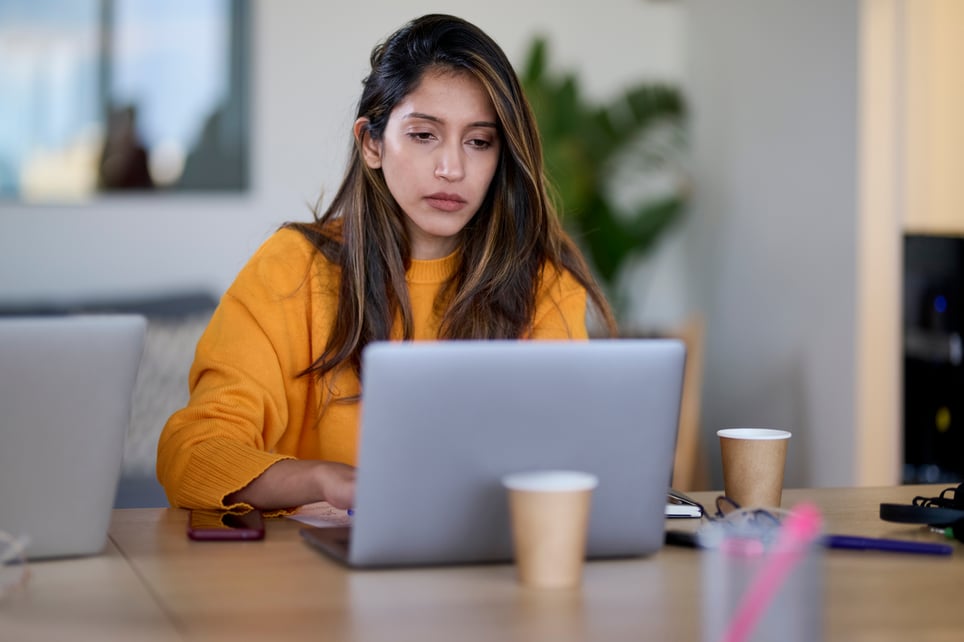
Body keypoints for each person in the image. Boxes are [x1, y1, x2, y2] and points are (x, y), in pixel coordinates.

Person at [156, 13, 617, 514]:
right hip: (313, 581)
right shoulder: (292, 270)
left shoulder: (542, 286)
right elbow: (195, 452)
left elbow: (564, 465)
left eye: (479, 142)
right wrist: (325, 481)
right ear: (372, 142)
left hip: (493, 572)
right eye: (424, 135)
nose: (452, 168)